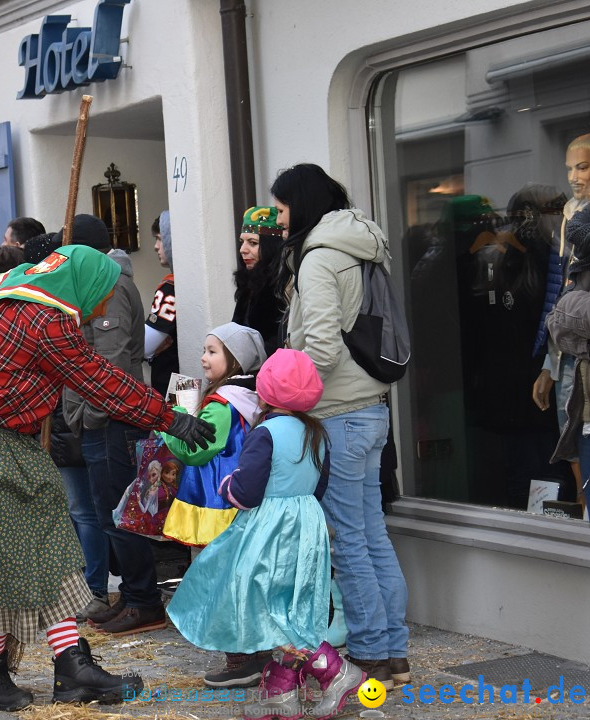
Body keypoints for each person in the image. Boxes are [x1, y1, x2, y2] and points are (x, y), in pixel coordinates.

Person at [0, 244, 215, 711]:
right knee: (26, 556)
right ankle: (40, 670)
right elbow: (98, 379)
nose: (101, 306)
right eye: (102, 294)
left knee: (25, 556)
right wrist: (170, 416)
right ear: (82, 285)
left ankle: (37, 668)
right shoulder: (47, 321)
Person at [167, 349, 366, 720]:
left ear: (265, 391)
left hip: (270, 529)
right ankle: (281, 694)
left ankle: (336, 671)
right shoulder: (316, 432)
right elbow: (320, 486)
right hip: (307, 525)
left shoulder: (265, 433)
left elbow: (246, 493)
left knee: (265, 603)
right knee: (292, 605)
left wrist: (228, 486)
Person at [272, 163, 408, 690]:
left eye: (282, 209)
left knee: (349, 541)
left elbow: (322, 348)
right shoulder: (361, 244)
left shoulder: (318, 259)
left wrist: (284, 390)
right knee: (373, 534)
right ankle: (395, 653)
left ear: (301, 206)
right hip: (372, 408)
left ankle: (372, 654)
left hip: (340, 415)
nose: (279, 221)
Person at [59, 214, 166, 634]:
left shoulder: (112, 287)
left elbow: (113, 359)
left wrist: (91, 414)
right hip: (97, 420)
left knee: (122, 515)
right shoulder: (90, 286)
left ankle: (145, 600)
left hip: (112, 421)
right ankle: (135, 596)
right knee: (108, 514)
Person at [159, 323, 267, 686]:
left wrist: (168, 423)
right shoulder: (250, 398)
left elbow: (196, 448)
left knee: (223, 584)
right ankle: (258, 656)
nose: (203, 359)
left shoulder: (222, 405)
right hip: (237, 502)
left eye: (212, 351)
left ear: (235, 360)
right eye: (204, 350)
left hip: (218, 505)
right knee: (241, 580)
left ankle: (241, 663)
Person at [533, 134, 590, 506]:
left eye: (582, 166)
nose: (573, 176)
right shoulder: (571, 213)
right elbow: (559, 291)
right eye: (569, 167)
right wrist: (548, 366)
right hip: (566, 349)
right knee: (571, 443)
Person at [232, 207, 287, 356]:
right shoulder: (249, 281)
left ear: (271, 246)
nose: (243, 249)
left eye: (253, 243)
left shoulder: (283, 287)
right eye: (241, 242)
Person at [145, 211, 179, 398]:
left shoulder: (171, 286)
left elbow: (145, 344)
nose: (156, 247)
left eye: (160, 239)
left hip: (170, 379)